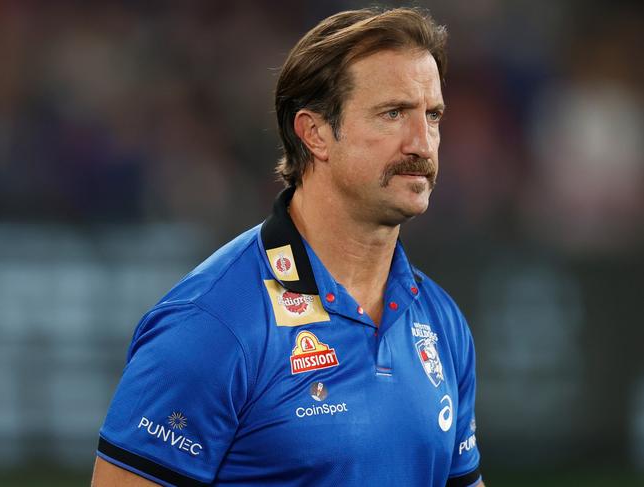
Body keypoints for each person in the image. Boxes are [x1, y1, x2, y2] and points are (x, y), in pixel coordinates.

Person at [92, 7, 483, 487]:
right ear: (315, 133)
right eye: (393, 113)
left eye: (433, 116)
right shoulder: (214, 323)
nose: (422, 143)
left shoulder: (441, 323)